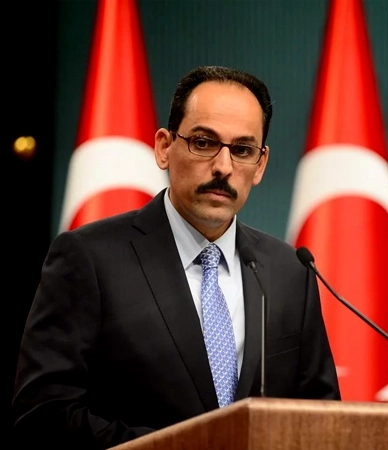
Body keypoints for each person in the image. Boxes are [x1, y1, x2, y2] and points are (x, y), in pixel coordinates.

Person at [11, 65, 340, 449]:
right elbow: (43, 417)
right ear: (164, 147)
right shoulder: (89, 258)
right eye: (203, 142)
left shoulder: (289, 270)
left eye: (242, 150)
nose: (223, 167)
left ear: (260, 165)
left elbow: (321, 418)